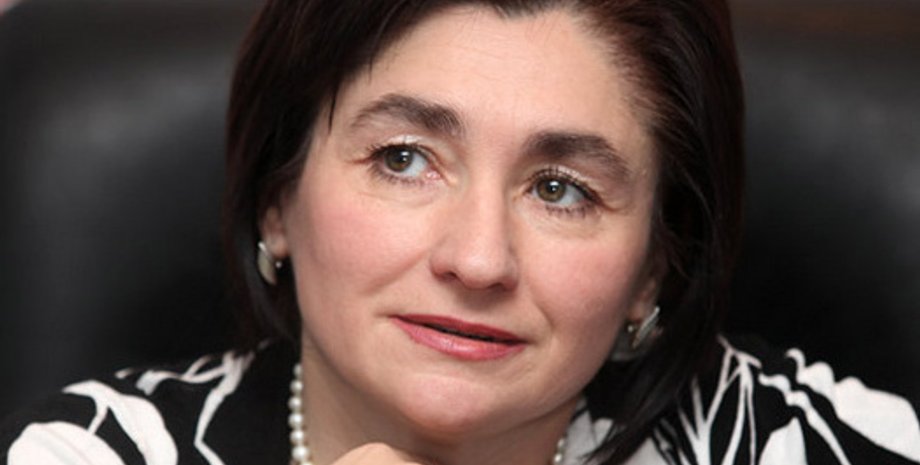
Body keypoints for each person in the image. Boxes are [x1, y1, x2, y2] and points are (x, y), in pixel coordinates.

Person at [2, 0, 918, 464]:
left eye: (560, 189)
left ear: (654, 266)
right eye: (404, 159)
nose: (478, 259)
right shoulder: (87, 454)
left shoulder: (804, 443)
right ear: (278, 199)